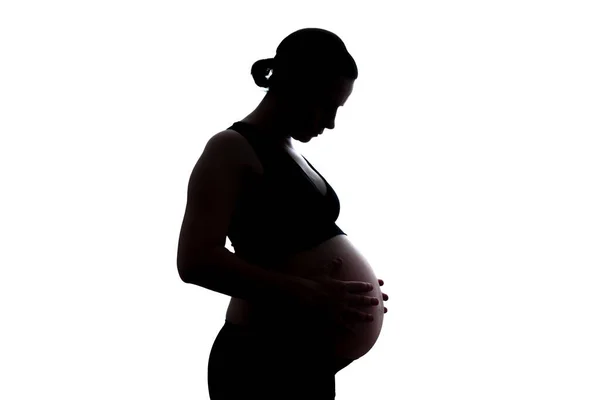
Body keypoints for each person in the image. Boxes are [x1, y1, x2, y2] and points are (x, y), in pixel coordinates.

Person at [177, 28, 389, 400]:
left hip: (305, 360)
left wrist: (353, 297)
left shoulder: (292, 151)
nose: (331, 122)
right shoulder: (230, 148)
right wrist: (309, 292)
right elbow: (194, 261)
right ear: (295, 84)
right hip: (258, 361)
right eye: (327, 105)